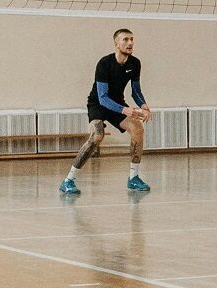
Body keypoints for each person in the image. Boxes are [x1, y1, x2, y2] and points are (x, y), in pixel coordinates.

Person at [60, 28, 151, 195]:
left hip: (117, 103)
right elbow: (102, 97)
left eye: (131, 39)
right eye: (125, 40)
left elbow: (136, 91)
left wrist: (144, 106)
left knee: (137, 127)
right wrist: (125, 110)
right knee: (96, 137)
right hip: (98, 105)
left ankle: (133, 178)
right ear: (116, 44)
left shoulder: (135, 63)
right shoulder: (104, 63)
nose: (130, 43)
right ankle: (68, 180)